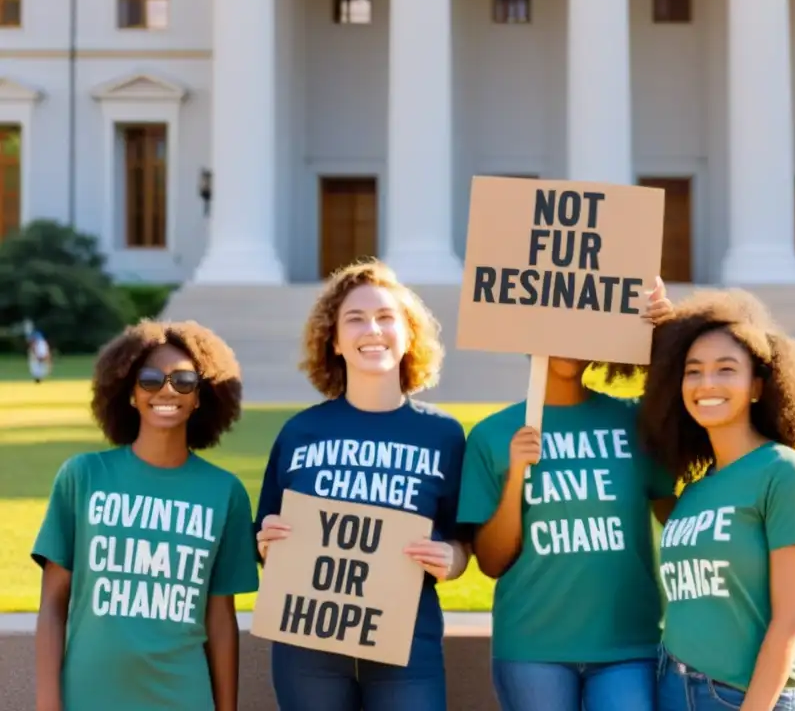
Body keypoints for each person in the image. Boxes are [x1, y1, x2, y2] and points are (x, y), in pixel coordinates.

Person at [255, 259, 470, 711]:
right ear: (333, 340)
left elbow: (465, 541)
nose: (372, 329)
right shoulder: (299, 433)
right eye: (355, 319)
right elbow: (262, 538)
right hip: (308, 649)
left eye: (386, 317)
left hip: (407, 646)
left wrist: (451, 558)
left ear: (409, 335)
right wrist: (267, 542)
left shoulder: (445, 436)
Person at [456, 278, 678, 711]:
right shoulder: (492, 435)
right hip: (532, 647)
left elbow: (678, 517)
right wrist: (516, 475)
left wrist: (665, 342)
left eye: (584, 325)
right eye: (556, 325)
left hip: (627, 645)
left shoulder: (634, 423)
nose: (569, 339)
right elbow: (491, 562)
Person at [637, 289, 795, 711]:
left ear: (756, 385)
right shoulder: (694, 491)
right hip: (674, 689)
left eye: (725, 369)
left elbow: (790, 623)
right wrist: (659, 331)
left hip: (748, 698)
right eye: (692, 371)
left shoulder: (785, 473)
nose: (706, 384)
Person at [32, 320, 259, 711]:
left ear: (200, 397)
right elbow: (52, 604)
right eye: (150, 379)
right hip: (88, 696)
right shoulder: (83, 477)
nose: (167, 390)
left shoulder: (226, 493)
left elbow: (221, 621)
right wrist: (48, 703)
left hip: (184, 697)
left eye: (184, 380)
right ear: (131, 394)